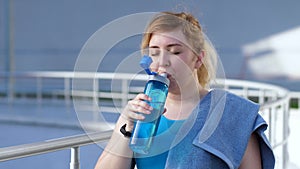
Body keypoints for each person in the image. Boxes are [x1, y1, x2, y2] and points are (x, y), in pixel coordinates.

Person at [94, 11, 275, 169]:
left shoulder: (234, 114)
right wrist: (127, 127)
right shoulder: (137, 114)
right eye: (154, 52)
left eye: (175, 52)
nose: (162, 62)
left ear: (198, 59)